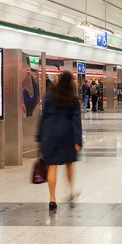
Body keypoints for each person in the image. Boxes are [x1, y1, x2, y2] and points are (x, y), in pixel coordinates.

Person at [36, 71, 82, 211]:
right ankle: (70, 191)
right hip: (66, 133)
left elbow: (43, 116)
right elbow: (76, 121)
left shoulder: (50, 95)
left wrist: (40, 136)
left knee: (52, 166)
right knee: (69, 164)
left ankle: (52, 199)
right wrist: (78, 140)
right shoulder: (73, 98)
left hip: (50, 133)